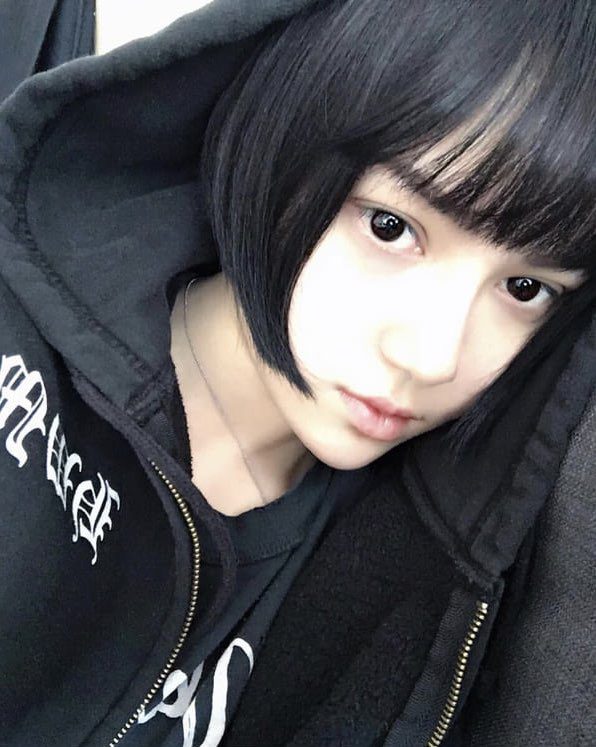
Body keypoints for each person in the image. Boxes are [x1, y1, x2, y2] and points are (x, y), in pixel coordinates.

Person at [0, 1, 594, 745]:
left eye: (525, 289)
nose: (433, 357)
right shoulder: (19, 370)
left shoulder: (405, 576)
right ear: (279, 137)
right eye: (390, 227)